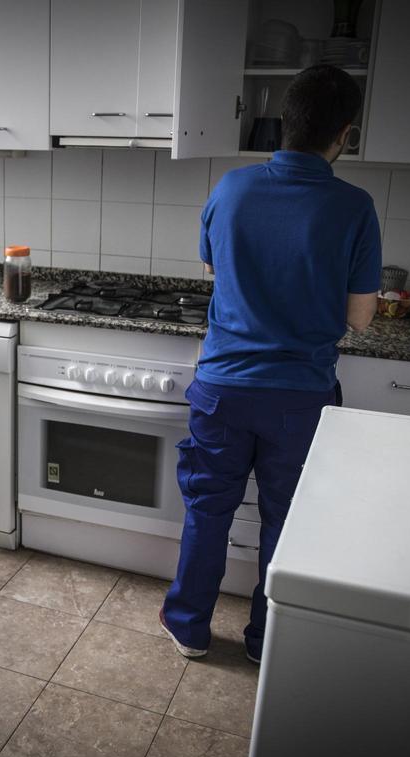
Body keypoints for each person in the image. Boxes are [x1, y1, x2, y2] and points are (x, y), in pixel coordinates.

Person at [159, 65, 380, 665]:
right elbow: (360, 319)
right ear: (346, 134)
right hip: (299, 399)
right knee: (285, 522)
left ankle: (190, 628)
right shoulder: (355, 207)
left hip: (223, 388)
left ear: (283, 123)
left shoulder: (231, 188)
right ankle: (264, 639)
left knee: (209, 510)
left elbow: (215, 270)